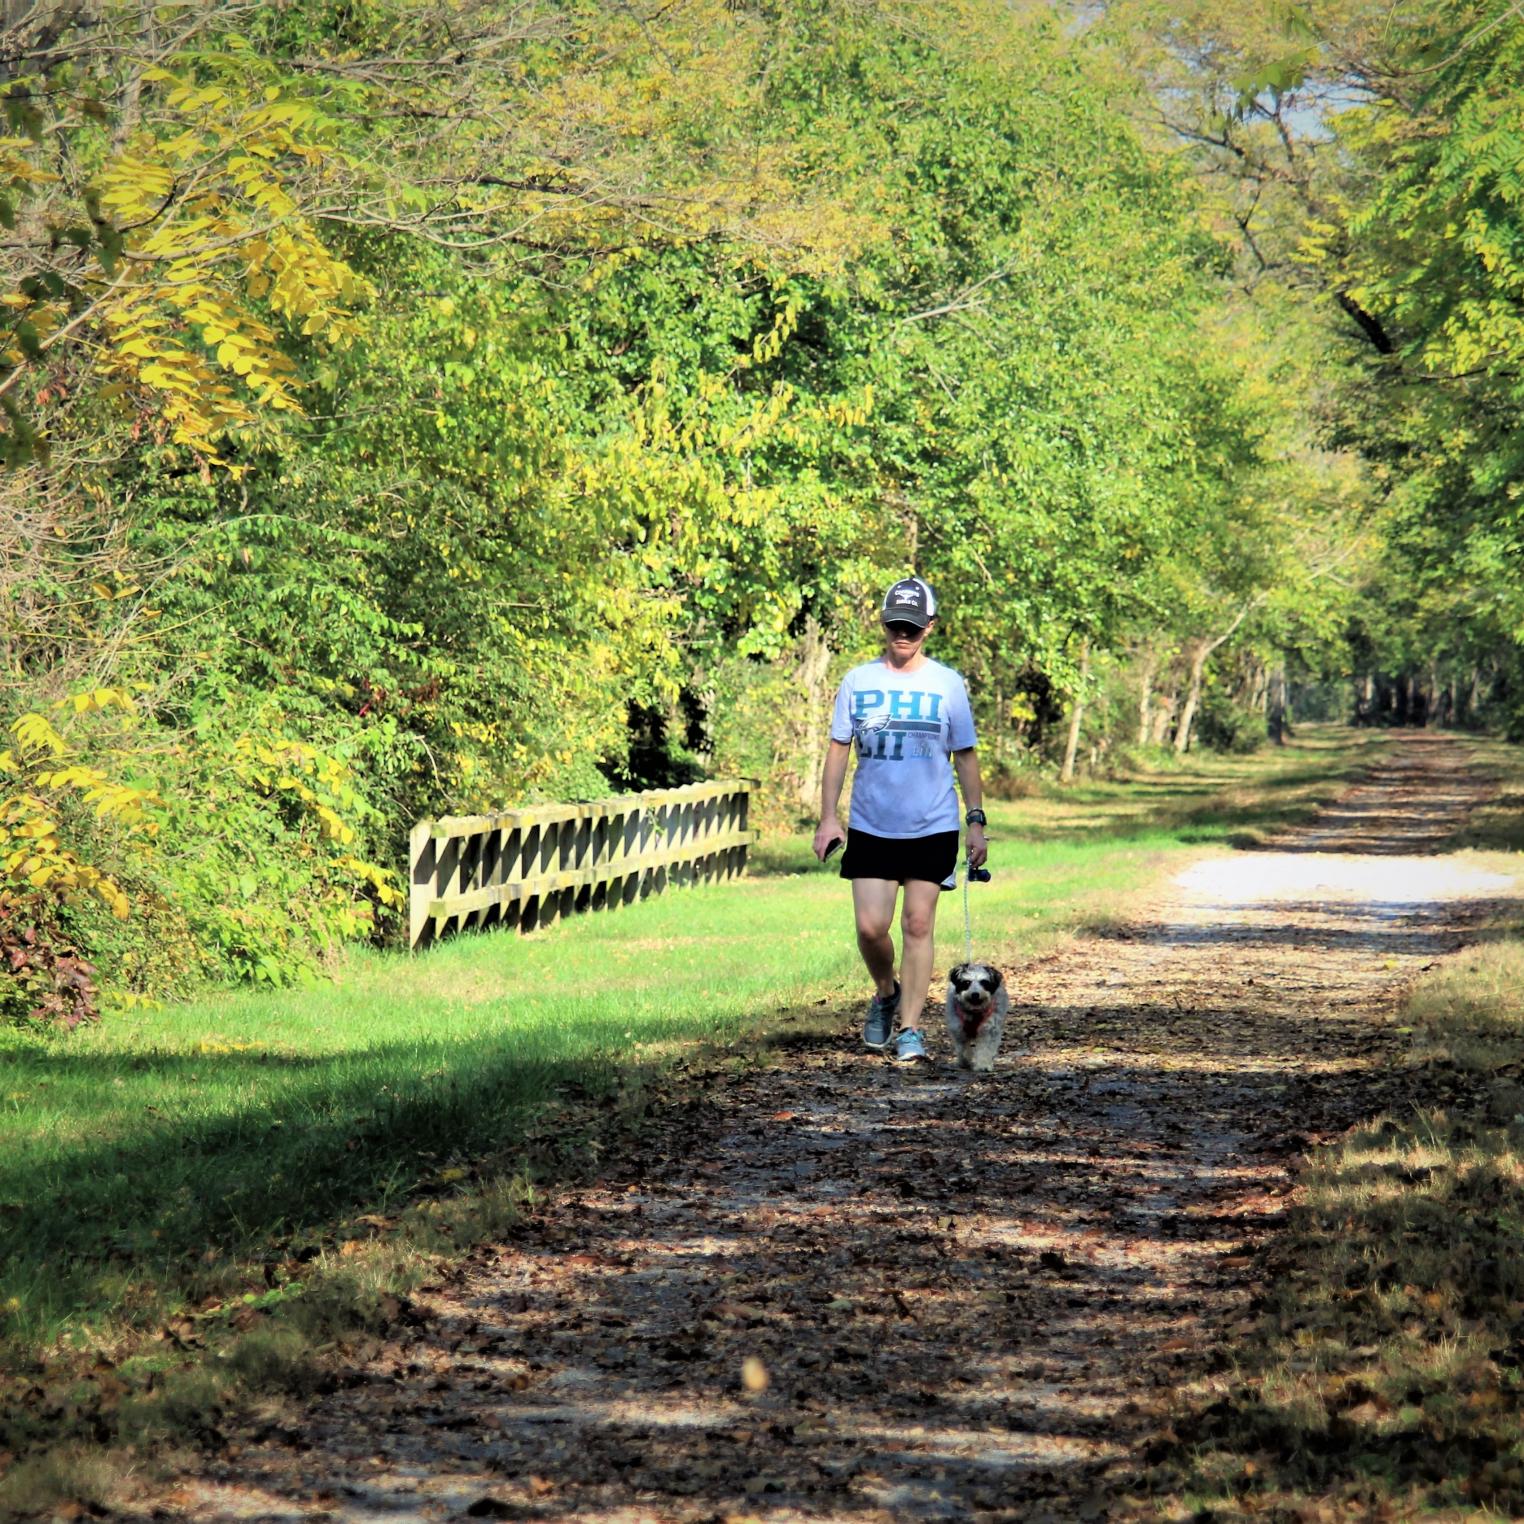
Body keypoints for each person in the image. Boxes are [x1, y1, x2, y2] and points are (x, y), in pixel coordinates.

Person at [812, 577, 988, 1063]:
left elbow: (966, 756)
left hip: (932, 823)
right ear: (883, 624)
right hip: (871, 823)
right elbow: (838, 750)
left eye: (912, 626)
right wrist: (829, 818)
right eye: (895, 625)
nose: (902, 634)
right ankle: (886, 992)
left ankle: (910, 1028)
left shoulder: (947, 684)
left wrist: (976, 822)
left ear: (929, 627)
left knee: (917, 923)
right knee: (871, 928)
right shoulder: (858, 681)